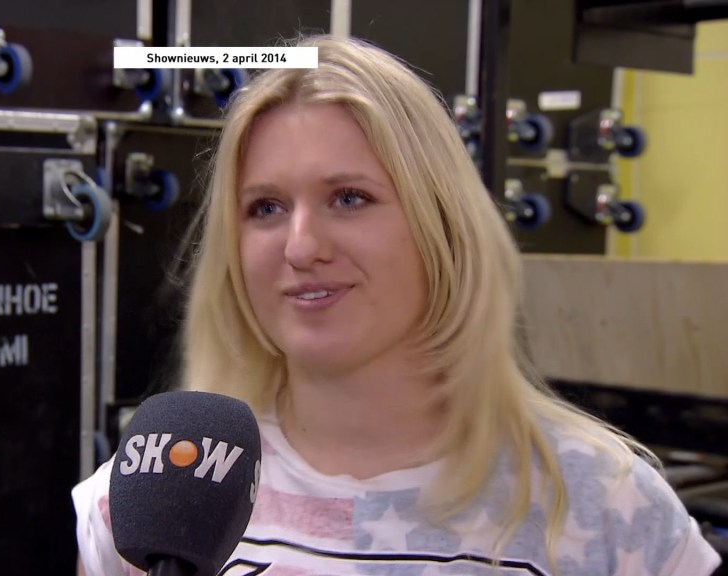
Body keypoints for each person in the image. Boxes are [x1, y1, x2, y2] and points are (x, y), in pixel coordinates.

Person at [72, 34, 722, 576]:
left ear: (442, 225)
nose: (301, 246)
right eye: (266, 207)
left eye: (349, 198)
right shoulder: (155, 496)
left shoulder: (604, 506)